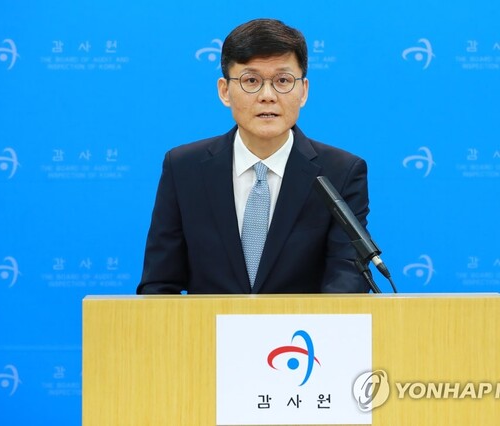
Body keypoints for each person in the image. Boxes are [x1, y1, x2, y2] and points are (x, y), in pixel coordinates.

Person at [137, 18, 371, 294]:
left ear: (303, 91)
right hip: (207, 324)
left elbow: (346, 281)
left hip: (300, 324)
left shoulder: (340, 172)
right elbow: (160, 284)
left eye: (283, 80)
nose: (267, 96)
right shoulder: (184, 169)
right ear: (224, 91)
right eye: (251, 81)